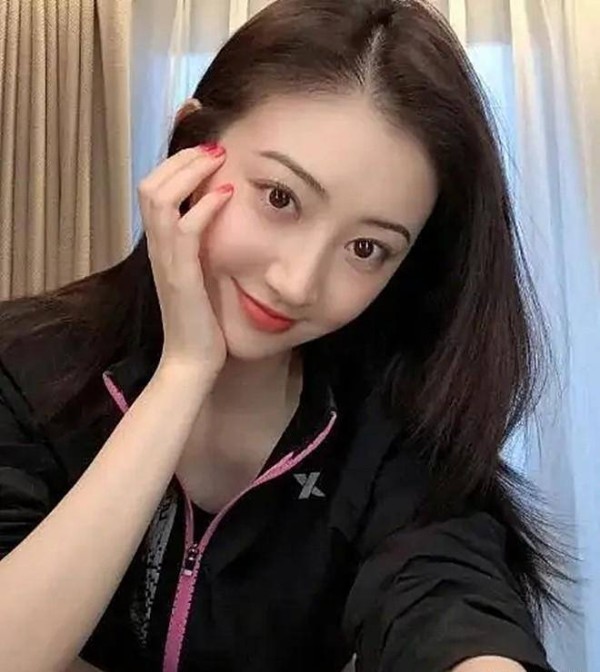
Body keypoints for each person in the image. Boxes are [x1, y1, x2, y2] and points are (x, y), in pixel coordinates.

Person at [0, 0, 571, 671]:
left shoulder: (390, 433)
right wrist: (184, 373)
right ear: (188, 151)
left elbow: (451, 603)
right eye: (280, 198)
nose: (298, 283)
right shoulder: (22, 365)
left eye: (366, 248)